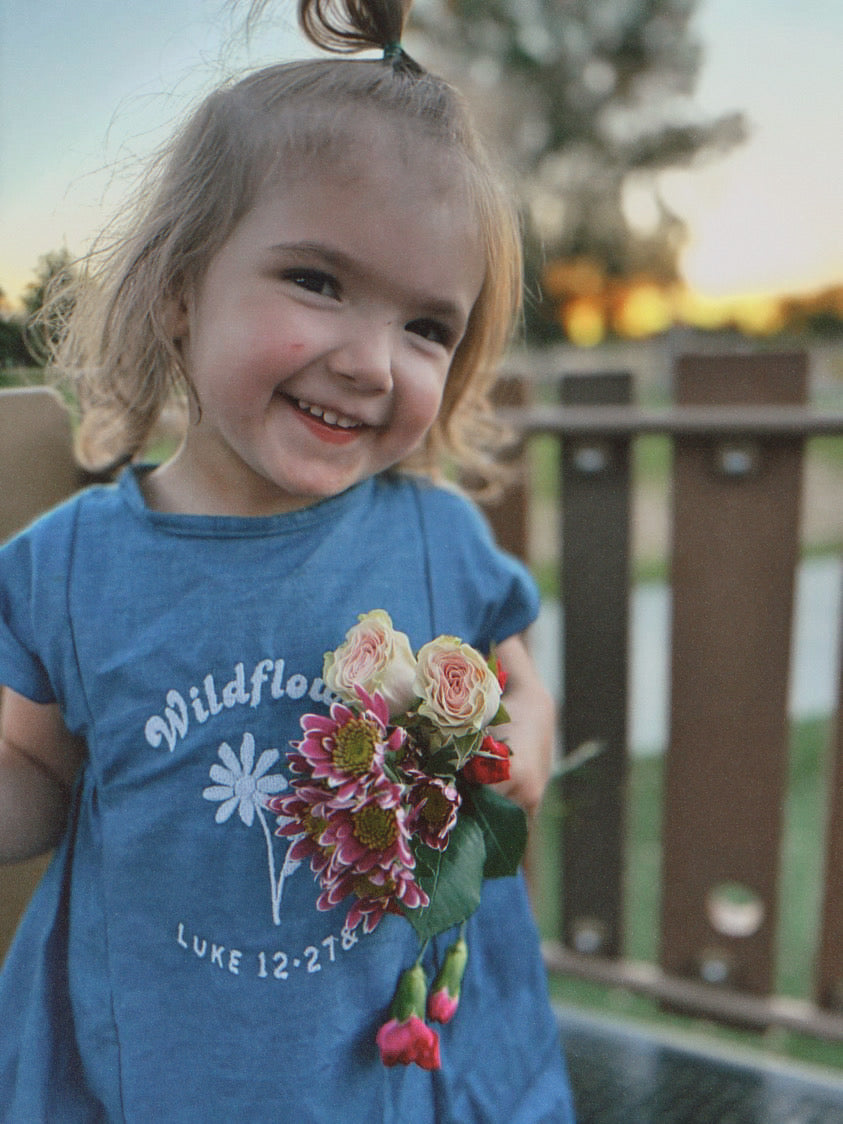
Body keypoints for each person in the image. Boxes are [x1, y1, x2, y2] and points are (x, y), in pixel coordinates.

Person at [0, 1, 575, 1119]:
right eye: (317, 280)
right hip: (169, 1065)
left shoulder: (434, 533)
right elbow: (31, 775)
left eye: (427, 326)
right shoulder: (70, 568)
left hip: (408, 1055)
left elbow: (521, 674)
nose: (370, 360)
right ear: (178, 289)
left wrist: (521, 748)